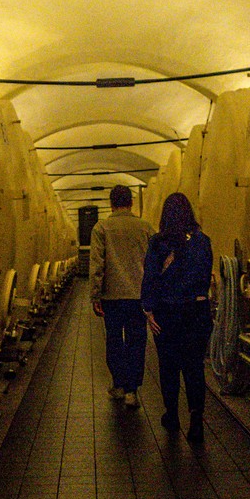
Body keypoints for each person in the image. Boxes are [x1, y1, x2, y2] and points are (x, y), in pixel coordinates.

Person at [141, 192, 214, 441]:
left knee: (169, 366)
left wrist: (148, 310)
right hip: (197, 311)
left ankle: (172, 415)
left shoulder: (158, 243)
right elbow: (205, 277)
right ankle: (196, 420)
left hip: (167, 312)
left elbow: (150, 277)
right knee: (194, 367)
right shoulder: (203, 242)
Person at [89, 185, 156, 408]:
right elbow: (154, 263)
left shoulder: (101, 228)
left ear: (111, 204)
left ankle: (118, 383)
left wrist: (95, 295)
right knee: (137, 341)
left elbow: (97, 264)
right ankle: (131, 390)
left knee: (114, 340)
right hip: (138, 296)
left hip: (112, 296)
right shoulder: (145, 227)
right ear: (131, 202)